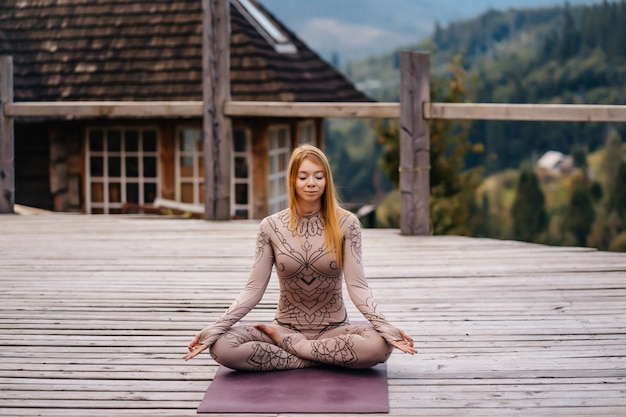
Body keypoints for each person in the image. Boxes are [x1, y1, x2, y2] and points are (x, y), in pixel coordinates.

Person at [183, 144, 416, 371]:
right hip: (284, 328)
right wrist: (215, 327)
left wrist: (384, 326)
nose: (311, 183)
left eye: (318, 176)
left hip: (334, 330)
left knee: (379, 347)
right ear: (292, 180)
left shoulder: (347, 223)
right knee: (222, 347)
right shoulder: (270, 226)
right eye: (303, 177)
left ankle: (298, 350)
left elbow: (357, 285)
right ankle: (320, 356)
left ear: (327, 181)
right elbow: (253, 288)